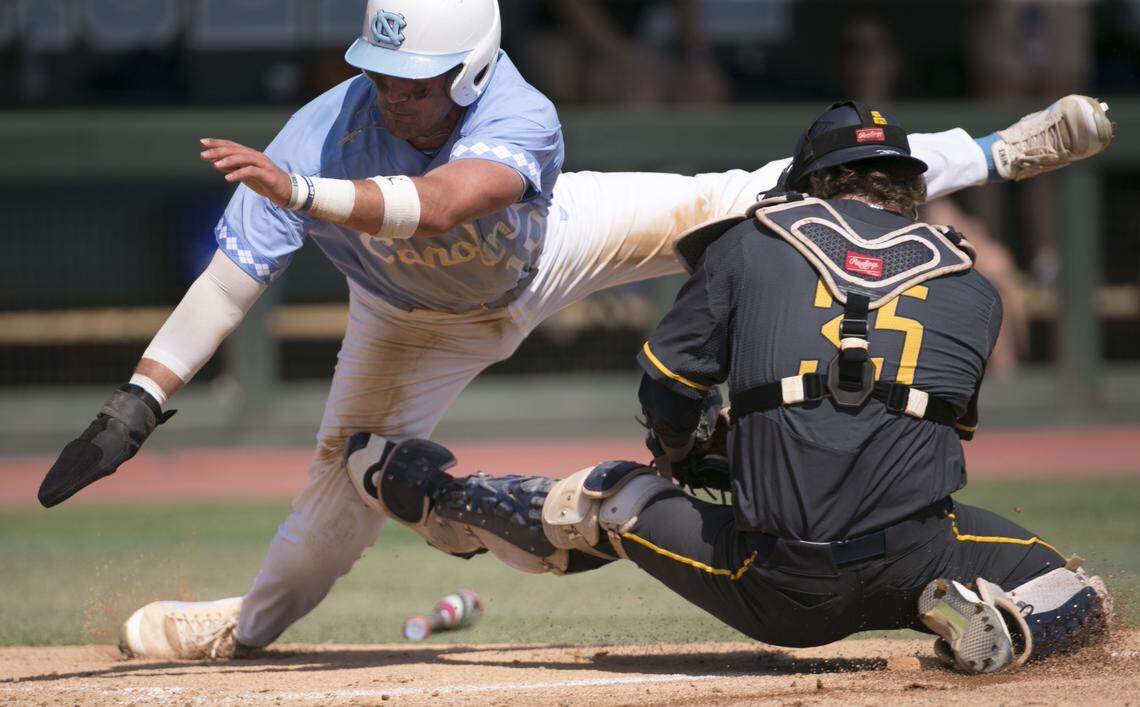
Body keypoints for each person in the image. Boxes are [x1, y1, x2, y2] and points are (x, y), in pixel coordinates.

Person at [37, 0, 1112, 660]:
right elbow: (234, 274)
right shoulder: (321, 128)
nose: (388, 93)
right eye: (379, 70)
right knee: (330, 501)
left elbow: (452, 202)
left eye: (413, 81)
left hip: (549, 246)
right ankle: (248, 625)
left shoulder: (522, 112)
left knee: (744, 194)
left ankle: (995, 152)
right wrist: (142, 396)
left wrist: (308, 194)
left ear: (467, 71)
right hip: (409, 319)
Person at [349, 101, 1114, 675]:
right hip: (917, 557)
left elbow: (667, 386)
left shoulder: (755, 241)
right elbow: (917, 436)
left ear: (812, 182)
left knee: (611, 498)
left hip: (784, 580)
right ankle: (1005, 628)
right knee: (1075, 591)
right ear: (906, 190)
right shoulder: (973, 283)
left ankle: (437, 500)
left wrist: (682, 451)